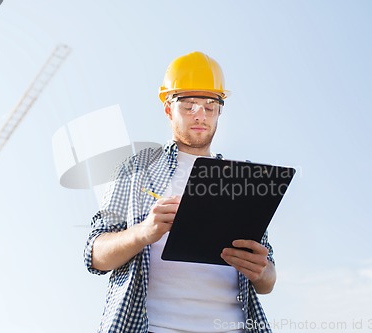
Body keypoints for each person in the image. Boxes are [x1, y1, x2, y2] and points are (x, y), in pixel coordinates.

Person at [84, 51, 276, 333]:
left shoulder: (243, 178)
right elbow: (94, 255)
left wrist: (262, 270)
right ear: (168, 109)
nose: (200, 115)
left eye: (210, 106)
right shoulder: (136, 170)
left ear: (220, 112)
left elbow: (268, 280)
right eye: (188, 105)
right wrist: (144, 232)